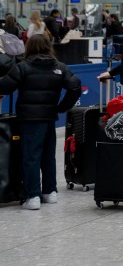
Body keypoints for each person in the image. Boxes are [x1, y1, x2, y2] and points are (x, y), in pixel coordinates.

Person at [0, 35, 81, 210]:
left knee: (31, 157)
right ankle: (50, 192)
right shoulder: (60, 67)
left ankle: (33, 196)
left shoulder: (22, 67)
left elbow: (4, 86)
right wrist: (61, 107)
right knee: (48, 155)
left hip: (29, 119)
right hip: (49, 117)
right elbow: (75, 87)